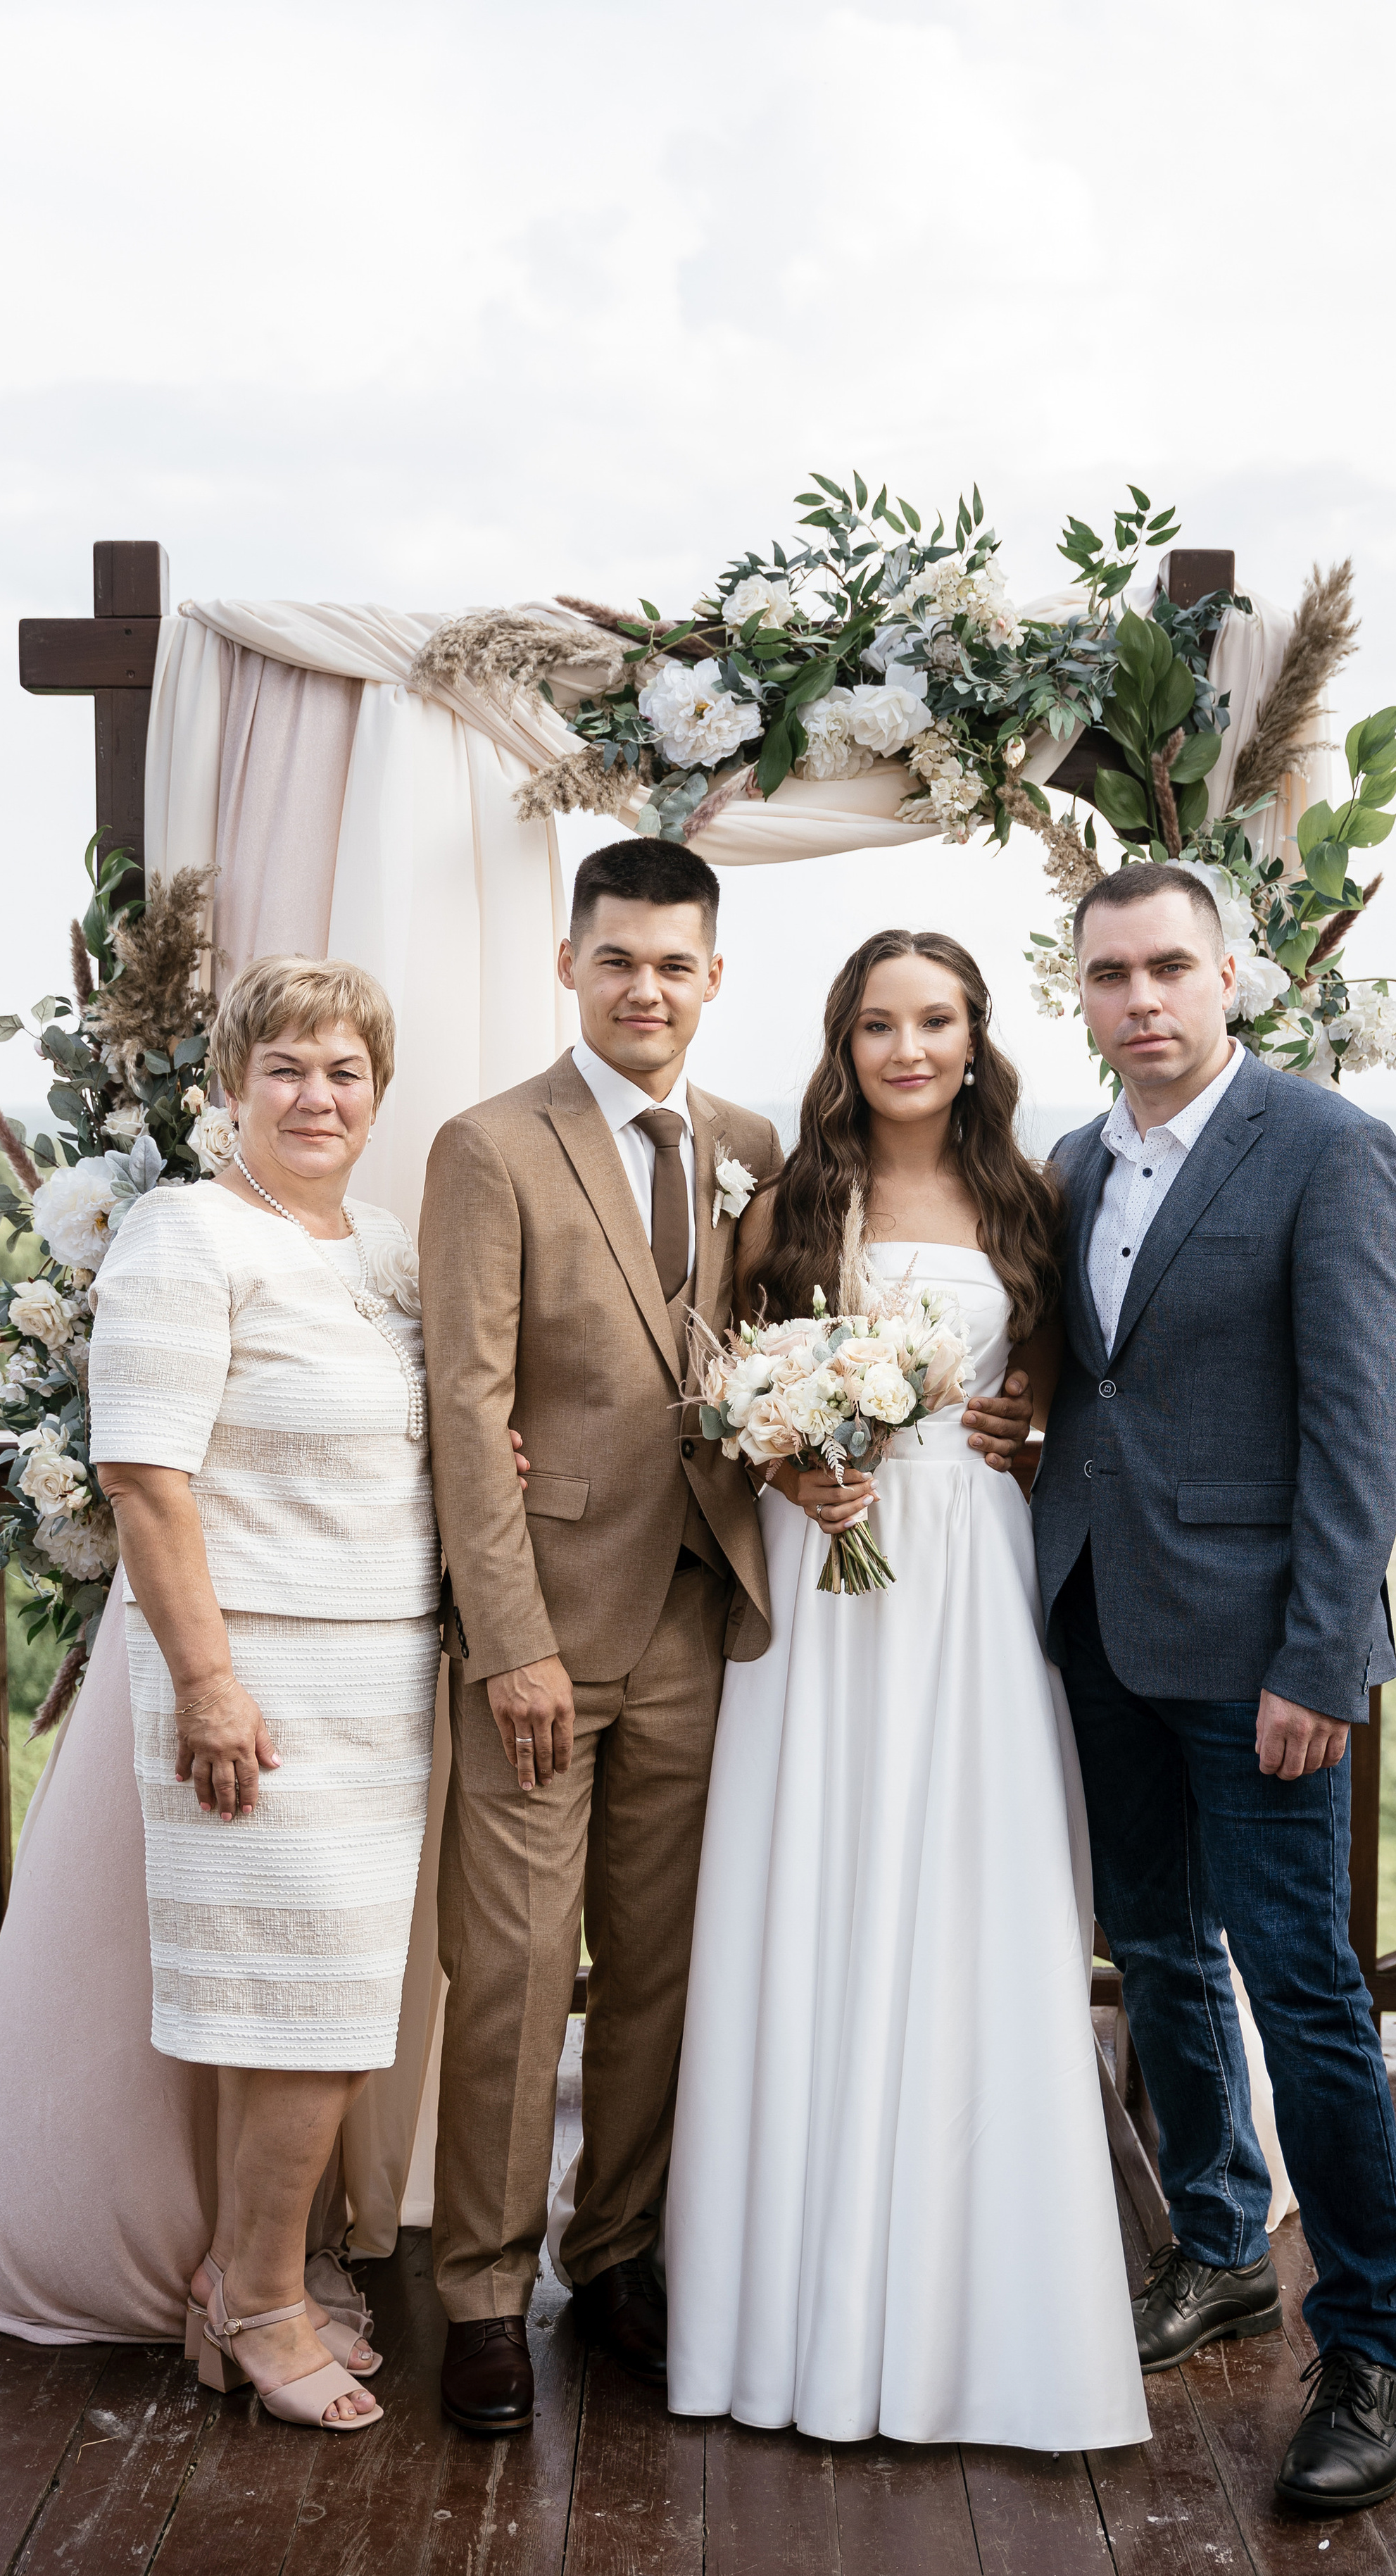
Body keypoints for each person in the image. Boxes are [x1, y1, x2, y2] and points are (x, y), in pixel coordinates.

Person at [419, 846, 1045, 2435]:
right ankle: (483, 2297)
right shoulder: (487, 1147)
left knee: (658, 1973)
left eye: (674, 966)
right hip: (547, 1639)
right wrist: (511, 1645)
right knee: (507, 1971)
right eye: (616, 959)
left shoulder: (748, 1150)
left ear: (713, 982)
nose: (645, 988)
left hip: (715, 1624)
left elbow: (764, 1366)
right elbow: (465, 1410)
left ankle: (615, 2254)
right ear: (569, 966)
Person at [665, 930, 1150, 2453]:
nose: (905, 1049)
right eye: (876, 1024)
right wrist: (789, 1456)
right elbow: (717, 1383)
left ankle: (972, 2302)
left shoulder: (1032, 1192)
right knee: (814, 1879)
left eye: (932, 1020)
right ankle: (785, 2299)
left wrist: (1024, 1416)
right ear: (843, 1040)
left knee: (971, 1893)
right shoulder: (792, 1198)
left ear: (971, 1032)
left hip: (972, 1572)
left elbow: (1066, 1364)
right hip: (828, 1580)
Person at [1034, 860, 1396, 2514]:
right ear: (1084, 993)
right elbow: (1087, 1388)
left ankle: (1371, 2345)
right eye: (1110, 974)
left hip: (1263, 1655)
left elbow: (1360, 1426)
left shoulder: (1325, 1149)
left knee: (1302, 1987)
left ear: (1230, 973)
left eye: (1168, 969)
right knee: (1158, 1955)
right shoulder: (1069, 1160)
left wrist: (1318, 1658)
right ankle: (1212, 2248)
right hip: (1101, 1626)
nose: (1140, 1000)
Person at [92, 954, 443, 2433]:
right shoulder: (185, 1235)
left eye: (344, 1070)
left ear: (376, 1092)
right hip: (264, 1673)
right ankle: (260, 2301)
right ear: (228, 1089)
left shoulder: (374, 1243)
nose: (316, 1095)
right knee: (317, 2013)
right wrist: (211, 1685)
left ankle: (241, 2289)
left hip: (383, 1672)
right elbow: (143, 1476)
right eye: (285, 1068)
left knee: (290, 2007)